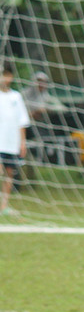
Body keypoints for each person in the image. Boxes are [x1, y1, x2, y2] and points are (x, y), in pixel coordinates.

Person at [0, 62, 30, 215]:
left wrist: (22, 143)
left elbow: (22, 121)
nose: (4, 78)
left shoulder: (16, 97)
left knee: (9, 173)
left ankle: (3, 206)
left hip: (12, 143)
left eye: (6, 75)